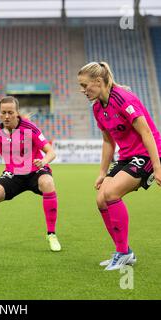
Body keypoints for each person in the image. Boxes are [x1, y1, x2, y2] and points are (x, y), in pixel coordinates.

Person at [77, 61, 161, 271]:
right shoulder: (97, 108)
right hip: (126, 157)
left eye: (85, 85)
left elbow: (147, 133)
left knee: (112, 193)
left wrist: (158, 167)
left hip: (147, 153)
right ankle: (124, 251)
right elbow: (108, 141)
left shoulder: (124, 99)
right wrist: (102, 172)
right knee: (101, 200)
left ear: (98, 81)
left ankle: (123, 253)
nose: (83, 90)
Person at [0, 96, 61, 252]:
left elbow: (51, 152)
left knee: (48, 183)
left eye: (10, 112)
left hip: (36, 170)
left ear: (17, 113)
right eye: (3, 113)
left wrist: (43, 162)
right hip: (13, 174)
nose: (7, 116)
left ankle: (51, 234)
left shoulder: (30, 128)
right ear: (0, 114)